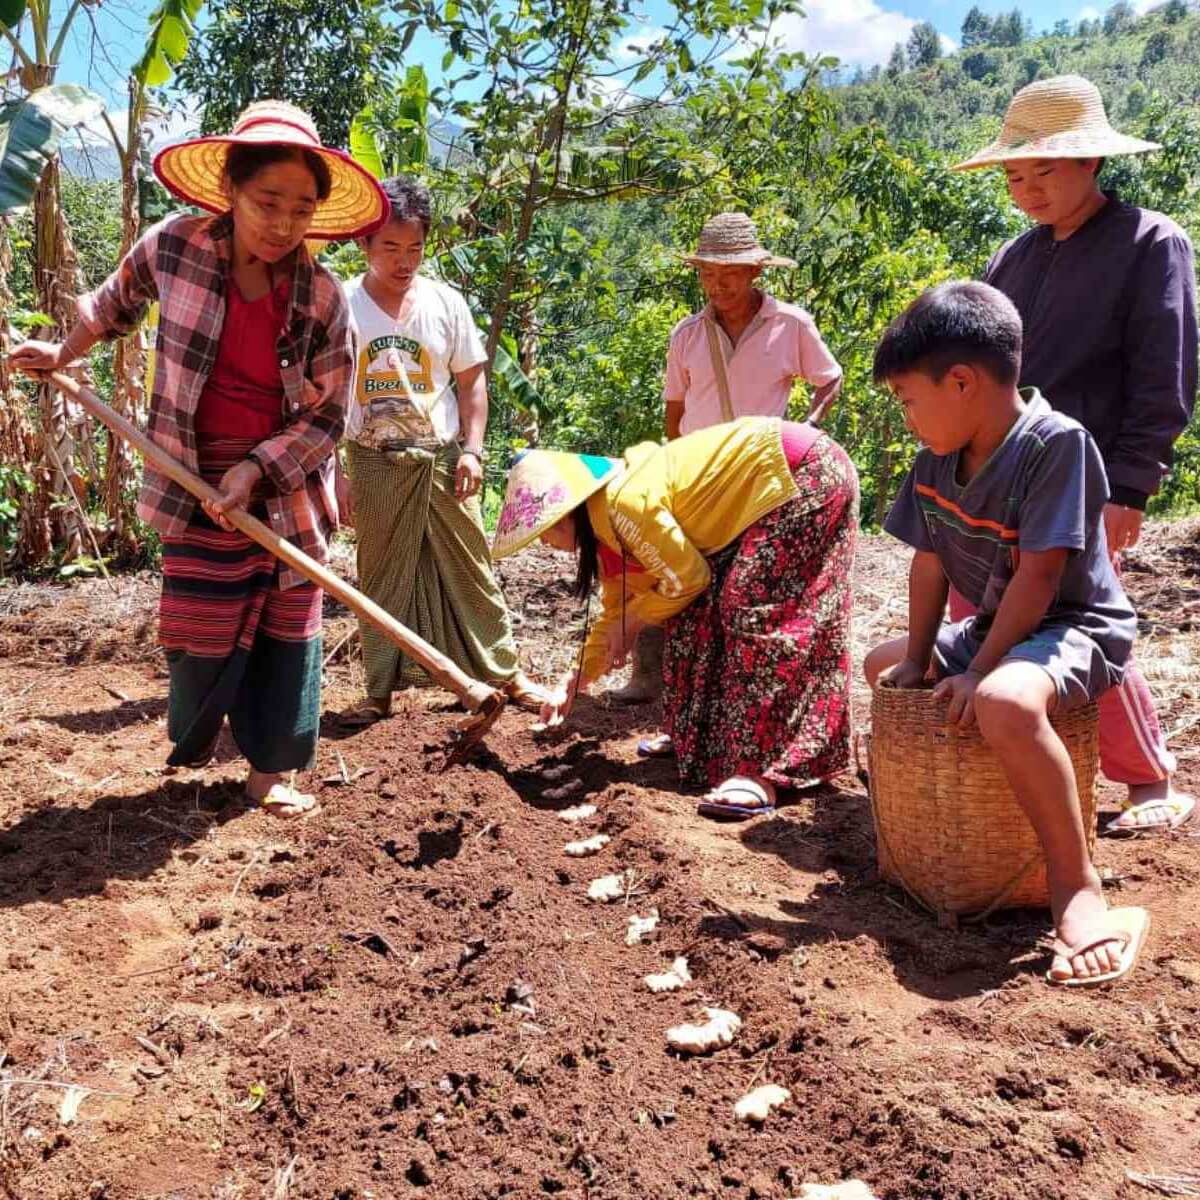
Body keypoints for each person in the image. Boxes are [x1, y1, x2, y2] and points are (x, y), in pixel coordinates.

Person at [11, 100, 387, 816]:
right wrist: (62, 352)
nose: (282, 223)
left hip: (283, 487)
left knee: (286, 626)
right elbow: (112, 303)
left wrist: (256, 471)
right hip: (188, 474)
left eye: (301, 209)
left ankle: (271, 775)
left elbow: (328, 415)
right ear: (231, 191)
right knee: (202, 627)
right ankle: (200, 734)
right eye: (267, 201)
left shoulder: (323, 297)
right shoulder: (174, 246)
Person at [865, 281, 1150, 988]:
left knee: (1005, 702)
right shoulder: (938, 456)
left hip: (1074, 624)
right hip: (997, 626)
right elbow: (929, 563)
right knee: (883, 662)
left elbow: (1041, 578)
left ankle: (1077, 886)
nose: (907, 419)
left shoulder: (1056, 444)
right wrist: (928, 653)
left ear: (960, 382)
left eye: (907, 400)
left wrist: (979, 668)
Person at [953, 74, 1198, 834]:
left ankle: (1147, 780)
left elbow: (1167, 368)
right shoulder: (1011, 258)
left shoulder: (1149, 241)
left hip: (1088, 474)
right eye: (1015, 175)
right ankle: (1011, 770)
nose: (1026, 189)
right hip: (999, 469)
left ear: (1092, 162)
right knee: (985, 616)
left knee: (1084, 620)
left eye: (1043, 172)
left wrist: (1132, 482)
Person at [491, 414, 858, 818]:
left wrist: (636, 620)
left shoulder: (625, 505)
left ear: (569, 511)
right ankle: (702, 743)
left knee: (752, 612)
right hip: (768, 494)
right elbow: (616, 611)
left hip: (800, 475)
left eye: (544, 529)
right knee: (690, 620)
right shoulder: (609, 531)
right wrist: (573, 680)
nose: (544, 540)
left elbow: (687, 579)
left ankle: (765, 771)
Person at [334, 175, 546, 726]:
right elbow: (325, 393)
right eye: (390, 248)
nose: (404, 261)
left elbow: (473, 382)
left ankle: (503, 673)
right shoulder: (342, 306)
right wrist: (336, 471)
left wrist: (473, 451)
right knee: (380, 571)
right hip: (373, 459)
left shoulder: (445, 303)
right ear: (364, 244)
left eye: (415, 248)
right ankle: (378, 690)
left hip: (444, 458)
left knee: (470, 564)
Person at [613, 211, 844, 709]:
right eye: (708, 274)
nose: (717, 286)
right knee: (673, 569)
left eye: (729, 274)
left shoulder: (791, 325)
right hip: (698, 476)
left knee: (748, 584)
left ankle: (740, 687)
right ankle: (651, 676)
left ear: (755, 272)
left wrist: (809, 427)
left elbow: (830, 378)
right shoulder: (687, 334)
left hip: (762, 475)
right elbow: (674, 412)